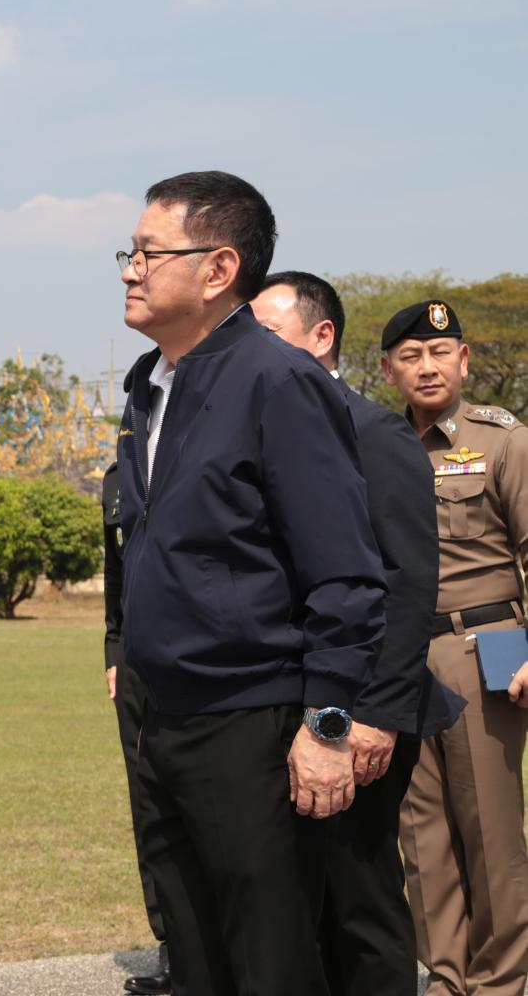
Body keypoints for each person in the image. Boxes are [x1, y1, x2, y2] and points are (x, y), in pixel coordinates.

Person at [114, 170, 386, 996]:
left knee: (269, 956)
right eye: (127, 252)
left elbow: (345, 570)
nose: (129, 268)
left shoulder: (277, 380)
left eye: (148, 252)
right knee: (191, 950)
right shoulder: (147, 386)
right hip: (160, 719)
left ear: (218, 267)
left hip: (250, 722)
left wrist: (329, 724)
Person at [253, 273, 462, 995]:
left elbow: (406, 590)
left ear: (321, 338)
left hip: (355, 714)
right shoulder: (264, 430)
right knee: (297, 909)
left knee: (360, 901)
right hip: (287, 704)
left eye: (267, 335)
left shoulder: (370, 433)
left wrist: (366, 716)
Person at [381, 299, 528, 996]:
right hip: (404, 655)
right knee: (425, 832)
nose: (427, 367)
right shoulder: (379, 446)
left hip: (487, 649)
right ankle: (446, 976)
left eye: (440, 353)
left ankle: (501, 981)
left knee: (490, 829)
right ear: (389, 371)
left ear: (464, 361)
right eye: (410, 356)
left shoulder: (501, 440)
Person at [100, 461, 170, 996]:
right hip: (136, 662)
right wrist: (113, 648)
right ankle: (175, 945)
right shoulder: (117, 478)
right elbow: (116, 572)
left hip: (205, 656)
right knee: (149, 802)